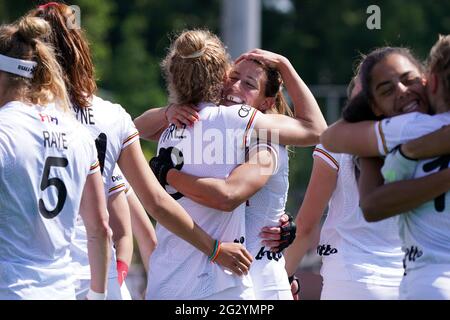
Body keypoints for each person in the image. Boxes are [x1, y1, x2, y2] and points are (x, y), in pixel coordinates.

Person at [30, 2, 253, 291]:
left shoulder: (15, 119)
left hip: (32, 277)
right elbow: (156, 204)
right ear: (80, 48)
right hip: (100, 278)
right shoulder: (112, 117)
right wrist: (214, 249)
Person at [134, 29, 326, 300]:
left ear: (267, 102)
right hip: (228, 274)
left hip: (259, 278)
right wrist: (168, 112)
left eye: (249, 84)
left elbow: (228, 196)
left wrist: (166, 173)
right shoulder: (207, 123)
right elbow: (134, 129)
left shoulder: (264, 139)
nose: (236, 87)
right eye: (233, 77)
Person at [321, 36, 450, 299]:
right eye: (386, 90)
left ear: (429, 79)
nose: (402, 90)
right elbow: (371, 206)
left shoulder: (402, 129)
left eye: (409, 79)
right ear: (375, 107)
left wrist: (407, 149)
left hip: (426, 280)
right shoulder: (391, 137)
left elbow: (330, 137)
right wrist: (409, 151)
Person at [0, 16, 110, 299]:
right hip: (62, 291)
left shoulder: (5, 130)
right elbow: (99, 228)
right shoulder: (78, 134)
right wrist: (97, 295)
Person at [284, 69, 407, 300]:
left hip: (351, 276)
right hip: (407, 279)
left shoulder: (334, 143)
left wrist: (284, 279)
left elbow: (306, 226)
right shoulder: (417, 143)